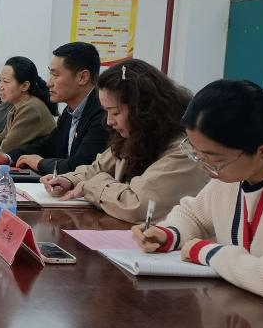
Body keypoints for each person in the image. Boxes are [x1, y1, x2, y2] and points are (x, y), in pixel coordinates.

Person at [133, 79, 263, 308]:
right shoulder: (234, 175)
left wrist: (208, 252)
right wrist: (169, 233)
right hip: (244, 311)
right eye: (196, 153)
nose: (204, 167)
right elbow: (194, 214)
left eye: (214, 159)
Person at [43, 59, 207, 223]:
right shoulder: (135, 137)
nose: (109, 121)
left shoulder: (184, 152)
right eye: (106, 112)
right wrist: (69, 180)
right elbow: (97, 168)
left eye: (115, 112)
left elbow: (137, 205)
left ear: (143, 109)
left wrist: (92, 186)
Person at [0, 41, 108, 172]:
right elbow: (47, 146)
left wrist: (40, 163)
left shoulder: (103, 114)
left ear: (82, 77)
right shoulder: (70, 112)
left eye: (55, 75)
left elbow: (81, 166)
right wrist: (8, 158)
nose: (48, 83)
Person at [0, 56, 57, 154]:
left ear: (25, 86)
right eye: (0, 81)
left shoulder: (31, 108)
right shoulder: (17, 106)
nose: (0, 87)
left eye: (6, 82)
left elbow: (7, 147)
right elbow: (3, 136)